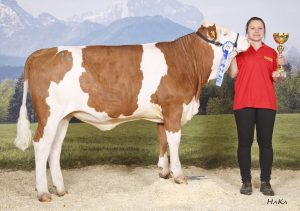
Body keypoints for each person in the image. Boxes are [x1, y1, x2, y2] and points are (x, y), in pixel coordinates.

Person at [228, 17, 285, 196]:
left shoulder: (272, 52)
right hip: (243, 103)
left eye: (260, 28)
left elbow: (277, 78)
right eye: (253, 28)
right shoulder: (240, 52)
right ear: (247, 31)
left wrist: (281, 68)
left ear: (264, 31)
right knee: (245, 144)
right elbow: (232, 74)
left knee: (265, 144)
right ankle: (246, 182)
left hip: (267, 103)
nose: (256, 31)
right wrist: (231, 55)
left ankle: (265, 182)